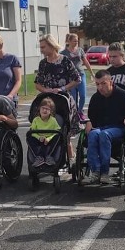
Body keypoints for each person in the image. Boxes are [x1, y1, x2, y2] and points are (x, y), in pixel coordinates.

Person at [84, 70, 125, 185]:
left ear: (110, 82)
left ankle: (104, 172)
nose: (100, 87)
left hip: (119, 128)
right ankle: (95, 171)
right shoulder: (96, 98)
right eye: (97, 84)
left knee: (103, 134)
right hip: (101, 127)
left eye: (103, 83)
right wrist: (89, 122)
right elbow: (92, 117)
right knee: (92, 134)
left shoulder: (123, 95)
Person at [34, 34, 81, 163]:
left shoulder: (65, 60)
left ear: (51, 45)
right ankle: (44, 156)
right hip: (47, 99)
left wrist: (62, 88)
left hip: (62, 98)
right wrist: (46, 90)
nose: (41, 50)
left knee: (63, 129)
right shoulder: (43, 63)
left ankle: (70, 157)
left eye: (43, 47)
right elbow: (37, 83)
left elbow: (77, 79)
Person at [60, 33, 94, 120]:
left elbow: (86, 62)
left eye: (77, 40)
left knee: (82, 95)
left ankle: (80, 111)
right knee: (74, 97)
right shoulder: (63, 53)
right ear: (69, 41)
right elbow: (61, 66)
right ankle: (74, 113)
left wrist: (92, 73)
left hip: (81, 74)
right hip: (70, 78)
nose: (76, 42)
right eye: (74, 41)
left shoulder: (80, 50)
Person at [28, 97, 62, 168]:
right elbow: (32, 132)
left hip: (49, 140)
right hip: (39, 139)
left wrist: (49, 138)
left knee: (58, 136)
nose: (44, 110)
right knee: (29, 136)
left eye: (47, 109)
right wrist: (39, 137)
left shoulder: (53, 120)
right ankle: (39, 157)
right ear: (39, 109)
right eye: (43, 108)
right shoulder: (36, 120)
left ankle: (49, 156)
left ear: (51, 111)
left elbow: (57, 132)